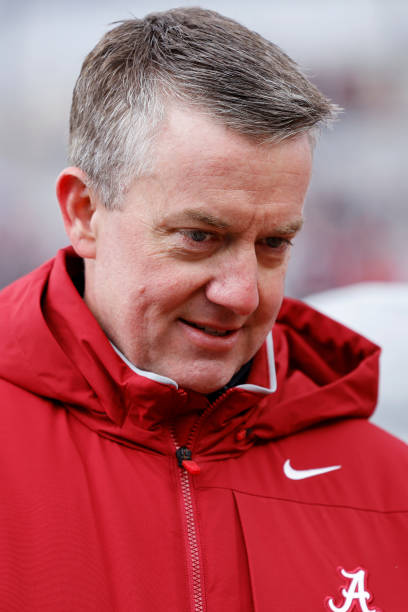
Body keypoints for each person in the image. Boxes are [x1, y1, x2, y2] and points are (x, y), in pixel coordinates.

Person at [0, 8, 406, 611]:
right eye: (200, 236)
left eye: (274, 244)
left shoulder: (389, 487)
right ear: (84, 212)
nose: (242, 294)